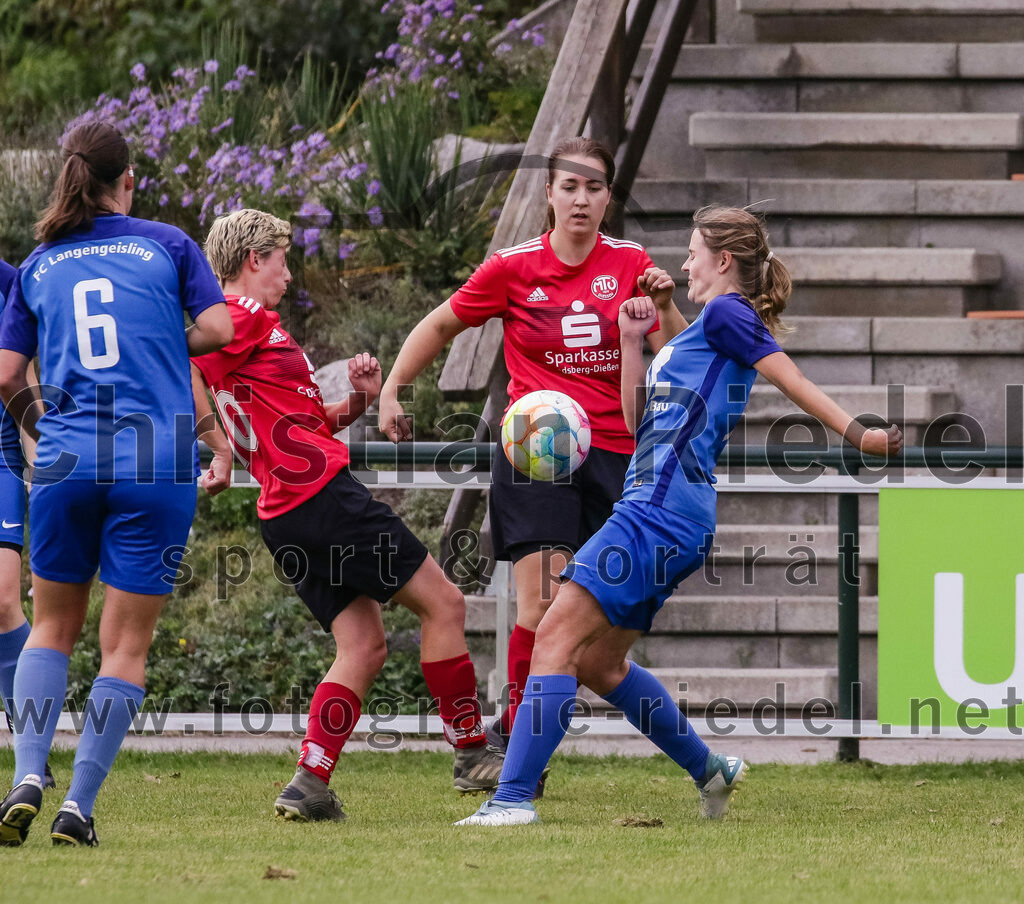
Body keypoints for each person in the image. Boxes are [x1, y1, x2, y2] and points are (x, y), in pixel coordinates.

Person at [457, 205, 904, 826]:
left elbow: (788, 374)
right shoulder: (703, 333)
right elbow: (639, 419)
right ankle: (711, 771)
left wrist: (856, 432)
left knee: (555, 640)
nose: (684, 263)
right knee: (597, 663)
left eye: (693, 253)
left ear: (723, 262)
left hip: (656, 512)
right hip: (669, 513)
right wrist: (629, 341)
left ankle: (510, 802)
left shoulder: (727, 313)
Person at [378, 137, 684, 772]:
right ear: (548, 194)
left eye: (594, 188)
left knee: (586, 620)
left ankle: (517, 731)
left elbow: (679, 354)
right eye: (569, 187)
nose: (580, 199)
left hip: (615, 454)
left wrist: (664, 305)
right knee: (541, 602)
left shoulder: (630, 263)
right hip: (535, 448)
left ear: (607, 198)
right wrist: (392, 387)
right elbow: (440, 324)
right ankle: (519, 757)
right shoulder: (512, 267)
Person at [191, 208, 504, 823]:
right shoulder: (242, 316)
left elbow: (296, 420)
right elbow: (178, 356)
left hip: (284, 514)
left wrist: (357, 400)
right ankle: (472, 753)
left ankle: (310, 781)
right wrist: (221, 448)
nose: (287, 269)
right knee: (445, 605)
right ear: (254, 260)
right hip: (323, 500)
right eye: (281, 257)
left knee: (361, 644)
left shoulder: (251, 334)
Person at [0, 121, 233, 847]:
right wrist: (162, 336)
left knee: (49, 627)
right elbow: (220, 330)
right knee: (123, 647)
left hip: (68, 458)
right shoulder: (166, 244)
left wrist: (45, 427)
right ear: (127, 179)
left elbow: (7, 375)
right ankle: (78, 808)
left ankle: (26, 775)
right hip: (156, 459)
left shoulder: (39, 263)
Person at [0, 259, 53, 789]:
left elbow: (24, 378)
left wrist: (47, 470)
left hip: (0, 460)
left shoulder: (15, 282)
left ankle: (29, 748)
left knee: (1, 600)